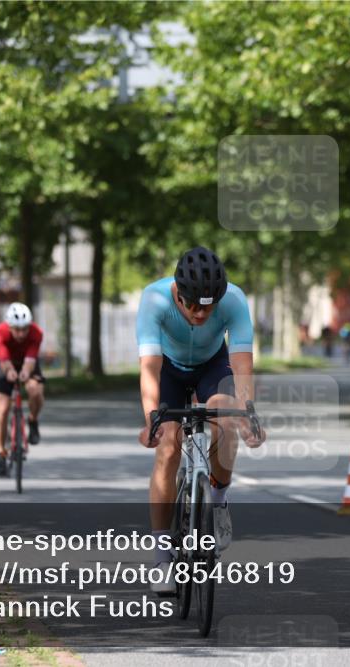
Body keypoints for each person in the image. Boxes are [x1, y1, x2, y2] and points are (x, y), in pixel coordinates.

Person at [136, 246, 266, 594]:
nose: (200, 313)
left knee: (226, 418)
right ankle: (162, 556)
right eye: (193, 305)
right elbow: (149, 368)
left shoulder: (234, 300)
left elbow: (241, 366)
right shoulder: (154, 300)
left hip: (212, 366)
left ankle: (219, 503)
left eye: (208, 306)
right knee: (168, 445)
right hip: (168, 369)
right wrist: (152, 417)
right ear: (178, 293)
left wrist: (248, 412)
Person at [0, 302, 45, 478]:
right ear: (9, 326)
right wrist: (9, 371)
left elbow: (30, 360)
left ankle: (33, 420)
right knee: (3, 408)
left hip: (27, 363)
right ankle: (0, 453)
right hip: (5, 363)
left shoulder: (36, 333)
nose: (21, 334)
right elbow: (3, 357)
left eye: (24, 329)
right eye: (17, 329)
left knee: (35, 390)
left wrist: (25, 373)